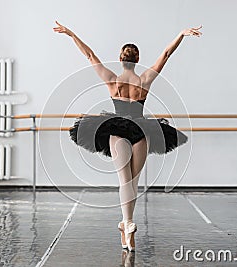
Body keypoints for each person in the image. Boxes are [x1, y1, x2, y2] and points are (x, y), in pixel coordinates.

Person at [53, 21, 202, 252]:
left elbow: (90, 55)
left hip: (117, 132)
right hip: (142, 132)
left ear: (120, 59)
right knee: (133, 182)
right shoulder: (144, 81)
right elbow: (166, 54)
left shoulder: (113, 81)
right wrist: (181, 34)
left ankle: (128, 223)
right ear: (137, 59)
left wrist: (72, 34)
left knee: (124, 181)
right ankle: (126, 227)